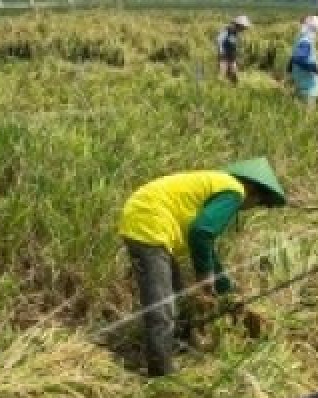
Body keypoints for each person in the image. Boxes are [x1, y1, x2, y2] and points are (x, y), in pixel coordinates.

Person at [118, 158, 286, 377]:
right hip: (149, 223)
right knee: (162, 308)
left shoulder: (220, 183)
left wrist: (227, 292)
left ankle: (178, 350)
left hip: (147, 219)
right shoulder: (235, 191)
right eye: (260, 203)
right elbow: (202, 233)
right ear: (254, 190)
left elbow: (207, 247)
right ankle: (161, 374)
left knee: (177, 297)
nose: (250, 207)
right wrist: (204, 278)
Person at [287, 15, 318, 109]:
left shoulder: (299, 38)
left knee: (298, 110)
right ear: (313, 29)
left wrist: (289, 74)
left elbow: (293, 58)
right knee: (308, 113)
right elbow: (299, 58)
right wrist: (316, 68)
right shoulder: (306, 41)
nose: (316, 33)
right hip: (308, 85)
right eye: (316, 30)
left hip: (300, 80)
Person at [216, 14, 251, 85]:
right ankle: (219, 86)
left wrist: (239, 53)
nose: (243, 29)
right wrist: (221, 51)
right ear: (238, 25)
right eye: (243, 27)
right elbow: (219, 40)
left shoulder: (235, 32)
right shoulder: (227, 31)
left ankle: (233, 86)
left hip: (232, 55)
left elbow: (235, 44)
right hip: (224, 55)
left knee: (234, 71)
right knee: (223, 71)